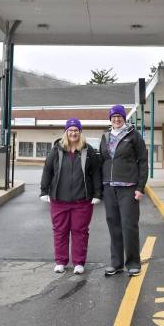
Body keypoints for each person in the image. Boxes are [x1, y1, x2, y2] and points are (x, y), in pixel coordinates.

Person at [40, 118, 102, 275]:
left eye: (76, 130)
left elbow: (96, 173)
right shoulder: (56, 150)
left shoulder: (89, 151)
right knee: (60, 231)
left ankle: (79, 263)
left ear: (80, 133)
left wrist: (97, 193)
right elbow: (47, 170)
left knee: (79, 231)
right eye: (70, 130)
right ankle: (60, 261)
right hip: (59, 200)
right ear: (66, 133)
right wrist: (44, 191)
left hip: (82, 201)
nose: (73, 133)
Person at [100, 105, 148, 277]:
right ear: (110, 119)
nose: (117, 119)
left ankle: (133, 262)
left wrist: (140, 187)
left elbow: (143, 161)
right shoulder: (105, 136)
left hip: (128, 188)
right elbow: (103, 162)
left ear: (124, 118)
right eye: (114, 116)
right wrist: (100, 189)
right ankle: (116, 263)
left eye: (120, 116)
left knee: (129, 226)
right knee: (114, 226)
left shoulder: (133, 136)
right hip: (109, 187)